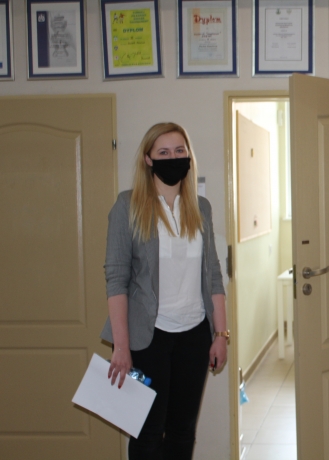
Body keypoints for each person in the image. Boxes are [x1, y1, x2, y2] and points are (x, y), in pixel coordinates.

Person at [100, 122, 228, 459]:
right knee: (147, 433)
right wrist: (121, 347)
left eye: (179, 151)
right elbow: (116, 279)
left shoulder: (201, 207)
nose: (173, 158)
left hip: (194, 336)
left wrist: (220, 334)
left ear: (189, 156)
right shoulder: (127, 205)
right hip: (147, 339)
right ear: (148, 159)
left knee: (183, 431)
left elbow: (213, 274)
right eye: (164, 152)